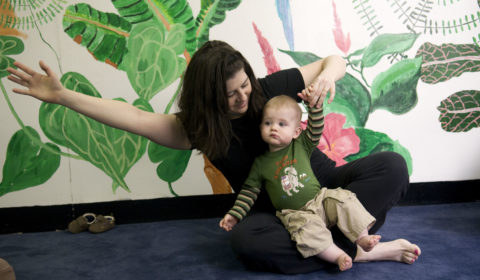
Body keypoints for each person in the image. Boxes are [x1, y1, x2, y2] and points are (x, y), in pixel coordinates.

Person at [6, 40, 420, 274]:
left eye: (245, 85)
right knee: (244, 242)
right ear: (209, 98)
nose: (244, 97)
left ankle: (332, 245)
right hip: (278, 216)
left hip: (327, 189)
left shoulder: (267, 86)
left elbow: (335, 60)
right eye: (231, 94)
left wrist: (327, 77)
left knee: (392, 166)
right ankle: (358, 247)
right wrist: (62, 96)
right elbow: (131, 116)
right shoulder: (198, 129)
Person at [219, 95, 384, 271]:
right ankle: (338, 256)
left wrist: (314, 106)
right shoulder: (261, 164)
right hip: (296, 214)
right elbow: (249, 192)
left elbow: (316, 128)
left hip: (320, 199)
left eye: (282, 124)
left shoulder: (300, 145)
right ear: (261, 127)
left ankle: (362, 238)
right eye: (268, 123)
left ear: (296, 131)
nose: (274, 128)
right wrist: (235, 214)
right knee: (307, 232)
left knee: (343, 198)